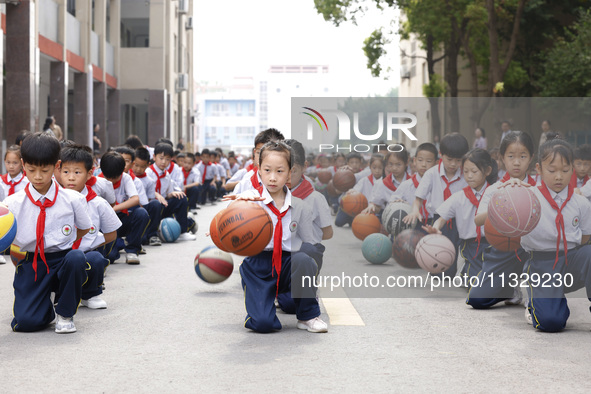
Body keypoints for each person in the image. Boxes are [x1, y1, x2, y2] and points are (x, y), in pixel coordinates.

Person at [226, 140, 328, 333]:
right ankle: (259, 308)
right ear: (259, 171)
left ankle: (308, 316)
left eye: (280, 171)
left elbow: (311, 244)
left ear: (290, 173)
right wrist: (222, 231)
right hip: (259, 266)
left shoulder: (300, 206)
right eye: (267, 170)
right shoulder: (249, 199)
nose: (273, 178)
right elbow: (228, 225)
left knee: (304, 258)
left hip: (288, 262)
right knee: (264, 325)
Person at [3, 132, 92, 333]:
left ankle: (65, 313)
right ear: (23, 164)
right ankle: (44, 306)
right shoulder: (12, 204)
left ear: (56, 166)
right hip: (32, 262)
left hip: (62, 259)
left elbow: (84, 228)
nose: (38, 176)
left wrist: (65, 241)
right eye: (31, 169)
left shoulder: (72, 199)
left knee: (76, 258)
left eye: (45, 170)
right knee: (26, 324)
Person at [521, 138, 591, 331]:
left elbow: (585, 238)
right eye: (552, 171)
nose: (559, 176)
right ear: (539, 169)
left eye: (565, 170)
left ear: (572, 169)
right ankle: (535, 299)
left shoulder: (581, 203)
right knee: (551, 323)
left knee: (590, 253)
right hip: (541, 264)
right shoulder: (528, 199)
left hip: (570, 260)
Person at [467, 131, 538, 308]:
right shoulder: (495, 188)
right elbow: (478, 220)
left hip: (533, 250)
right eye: (511, 156)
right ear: (501, 158)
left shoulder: (538, 187)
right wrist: (501, 202)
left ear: (531, 158)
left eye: (522, 156)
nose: (516, 162)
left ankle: (534, 291)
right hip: (503, 249)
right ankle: (509, 288)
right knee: (477, 299)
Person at [59, 144, 122, 309]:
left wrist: (93, 242)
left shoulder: (98, 203)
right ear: (58, 171)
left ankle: (91, 293)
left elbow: (112, 233)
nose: (71, 178)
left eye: (77, 172)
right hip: (58, 255)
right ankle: (55, 294)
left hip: (85, 254)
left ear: (89, 174)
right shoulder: (53, 201)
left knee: (96, 259)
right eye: (66, 172)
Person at [276, 138, 333, 314]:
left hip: (307, 256)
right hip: (282, 257)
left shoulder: (315, 198)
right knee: (288, 305)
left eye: (292, 171)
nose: (285, 177)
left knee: (306, 250)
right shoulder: (271, 196)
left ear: (304, 166)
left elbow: (328, 233)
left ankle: (307, 291)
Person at [423, 148, 498, 281]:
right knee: (476, 283)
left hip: (494, 245)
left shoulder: (497, 192)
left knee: (495, 281)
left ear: (487, 171)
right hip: (470, 247)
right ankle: (464, 270)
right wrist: (435, 228)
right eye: (466, 171)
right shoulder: (459, 197)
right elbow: (441, 218)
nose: (469, 176)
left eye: (474, 171)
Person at [404, 133, 470, 277]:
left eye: (458, 160)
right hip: (440, 223)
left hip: (462, 220)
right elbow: (418, 199)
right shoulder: (432, 174)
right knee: (442, 272)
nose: (453, 164)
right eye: (449, 159)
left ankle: (467, 270)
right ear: (441, 154)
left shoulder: (467, 174)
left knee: (465, 254)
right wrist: (415, 210)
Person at [100, 151, 150, 264]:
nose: (111, 181)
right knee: (112, 256)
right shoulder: (97, 180)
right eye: (108, 177)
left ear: (122, 171)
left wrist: (114, 208)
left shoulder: (126, 178)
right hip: (105, 223)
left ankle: (132, 250)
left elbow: (135, 199)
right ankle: (115, 246)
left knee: (141, 213)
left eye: (115, 178)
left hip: (121, 217)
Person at [146, 143, 196, 241]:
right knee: (156, 203)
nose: (164, 162)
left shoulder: (166, 174)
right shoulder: (148, 172)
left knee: (181, 198)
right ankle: (153, 235)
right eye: (161, 158)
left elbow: (166, 195)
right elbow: (143, 192)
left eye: (167, 159)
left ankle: (183, 232)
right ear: (154, 157)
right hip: (151, 209)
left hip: (163, 206)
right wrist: (156, 194)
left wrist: (172, 194)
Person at [388, 143, 439, 227]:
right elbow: (392, 202)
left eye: (428, 161)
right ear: (414, 161)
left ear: (436, 163)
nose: (423, 164)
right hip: (412, 222)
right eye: (420, 160)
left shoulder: (439, 184)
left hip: (434, 223)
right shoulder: (407, 184)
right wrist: (397, 203)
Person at [231, 128, 285, 195]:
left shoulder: (288, 182)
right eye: (259, 153)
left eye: (271, 154)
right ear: (254, 152)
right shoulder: (247, 181)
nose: (263, 159)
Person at [336, 154, 384, 227]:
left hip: (378, 210)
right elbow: (355, 189)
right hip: (362, 208)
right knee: (339, 222)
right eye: (374, 168)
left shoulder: (385, 181)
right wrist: (351, 191)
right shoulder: (364, 179)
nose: (377, 171)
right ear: (370, 167)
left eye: (380, 168)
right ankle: (352, 218)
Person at [130, 147, 165, 246]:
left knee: (155, 204)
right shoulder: (127, 177)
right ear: (132, 163)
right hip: (130, 209)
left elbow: (149, 199)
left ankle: (152, 235)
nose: (138, 169)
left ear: (147, 166)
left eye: (142, 167)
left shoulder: (149, 180)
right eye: (136, 165)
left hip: (143, 208)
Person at [365, 147, 411, 218]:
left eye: (398, 164)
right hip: (389, 220)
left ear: (406, 163)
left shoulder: (412, 182)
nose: (394, 168)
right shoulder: (383, 184)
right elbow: (376, 204)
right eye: (391, 164)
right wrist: (372, 206)